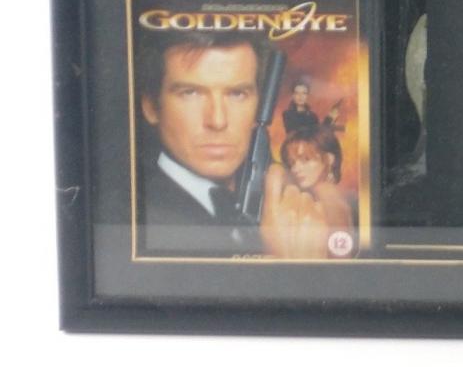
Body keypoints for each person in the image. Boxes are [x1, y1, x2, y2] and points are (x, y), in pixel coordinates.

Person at [137, 31, 266, 254]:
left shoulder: (271, 203)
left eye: (237, 94)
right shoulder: (141, 213)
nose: (218, 121)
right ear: (151, 107)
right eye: (191, 93)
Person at [261, 127, 353, 260]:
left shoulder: (328, 193)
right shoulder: (309, 198)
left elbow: (341, 260)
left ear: (329, 159)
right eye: (292, 163)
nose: (296, 169)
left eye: (305, 159)